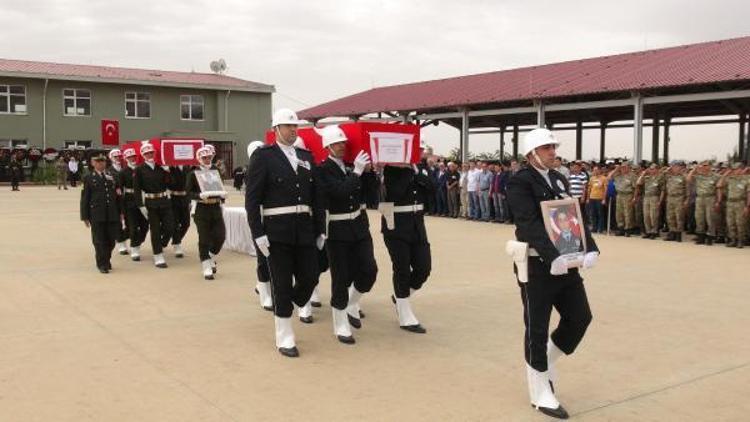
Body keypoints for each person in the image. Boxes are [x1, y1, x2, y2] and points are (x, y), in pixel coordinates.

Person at [506, 128, 599, 420]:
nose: (552, 151)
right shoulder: (520, 182)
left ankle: (545, 362)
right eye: (547, 147)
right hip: (536, 265)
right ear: (532, 153)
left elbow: (575, 216)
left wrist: (590, 247)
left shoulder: (559, 178)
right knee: (537, 326)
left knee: (580, 317)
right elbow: (528, 223)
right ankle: (539, 392)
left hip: (566, 263)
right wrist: (552, 256)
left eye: (553, 147)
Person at [245, 108, 325, 358]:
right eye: (288, 126)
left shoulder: (306, 156)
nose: (293, 130)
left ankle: (286, 303)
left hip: (305, 229)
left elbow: (317, 197)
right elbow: (252, 199)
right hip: (277, 232)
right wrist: (258, 234)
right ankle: (285, 335)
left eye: (295, 127)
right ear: (276, 129)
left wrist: (320, 228)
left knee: (311, 277)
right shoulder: (263, 156)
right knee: (281, 282)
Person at [315, 125, 379, 344]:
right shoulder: (322, 170)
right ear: (328, 146)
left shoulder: (354, 166)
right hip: (338, 229)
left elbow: (371, 197)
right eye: (337, 143)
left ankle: (352, 303)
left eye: (343, 143)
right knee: (340, 278)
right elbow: (340, 192)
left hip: (360, 226)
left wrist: (370, 173)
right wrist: (358, 173)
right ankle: (340, 321)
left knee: (369, 270)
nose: (342, 146)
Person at [379, 140, 435, 334]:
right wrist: (408, 170)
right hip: (396, 225)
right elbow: (394, 193)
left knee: (423, 268)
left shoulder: (420, 169)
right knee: (401, 269)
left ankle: (400, 295)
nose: (421, 154)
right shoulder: (391, 169)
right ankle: (404, 314)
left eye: (421, 151)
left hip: (417, 225)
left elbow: (432, 188)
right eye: (418, 150)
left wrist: (416, 171)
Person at [186, 146, 227, 279]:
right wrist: (199, 196)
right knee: (204, 238)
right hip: (201, 208)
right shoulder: (193, 173)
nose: (207, 160)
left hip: (215, 207)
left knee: (220, 236)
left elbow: (219, 186)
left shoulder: (216, 171)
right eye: (204, 157)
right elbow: (188, 193)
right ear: (199, 159)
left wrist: (222, 196)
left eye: (209, 157)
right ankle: (206, 266)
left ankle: (210, 256)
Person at [133, 142, 175, 268]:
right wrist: (141, 206)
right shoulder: (139, 169)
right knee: (155, 229)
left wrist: (168, 171)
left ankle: (161, 243)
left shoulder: (160, 167)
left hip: (164, 201)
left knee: (170, 226)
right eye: (146, 153)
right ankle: (158, 255)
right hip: (150, 203)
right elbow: (136, 189)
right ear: (143, 155)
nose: (149, 155)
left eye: (151, 152)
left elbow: (171, 184)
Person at [80, 154, 122, 273]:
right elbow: (85, 198)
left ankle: (106, 259)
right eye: (98, 161)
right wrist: (85, 216)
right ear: (93, 163)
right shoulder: (89, 178)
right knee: (99, 240)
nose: (101, 163)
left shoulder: (112, 175)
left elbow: (118, 195)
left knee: (111, 239)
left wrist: (121, 212)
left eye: (103, 161)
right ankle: (102, 263)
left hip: (112, 212)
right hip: (97, 214)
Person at [119, 148, 150, 261]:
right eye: (129, 157)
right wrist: (121, 208)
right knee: (132, 227)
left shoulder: (141, 169)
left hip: (142, 199)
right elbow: (120, 191)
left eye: (134, 157)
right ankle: (134, 248)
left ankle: (125, 239)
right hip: (129, 201)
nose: (132, 159)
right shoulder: (123, 172)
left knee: (145, 226)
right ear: (125, 159)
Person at [717, 162, 750, 248]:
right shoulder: (730, 179)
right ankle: (733, 240)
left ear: (741, 169)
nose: (734, 171)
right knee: (730, 222)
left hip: (740, 203)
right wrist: (725, 174)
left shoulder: (747, 179)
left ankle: (740, 241)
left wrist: (747, 206)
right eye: (733, 169)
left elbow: (748, 193)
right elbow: (719, 185)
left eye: (736, 169)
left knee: (740, 223)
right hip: (730, 203)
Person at [688, 161, 721, 245]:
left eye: (705, 165)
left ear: (710, 166)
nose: (703, 167)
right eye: (702, 165)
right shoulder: (698, 176)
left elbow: (718, 189)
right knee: (699, 218)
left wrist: (718, 201)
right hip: (700, 198)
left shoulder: (716, 176)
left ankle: (710, 236)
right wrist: (695, 169)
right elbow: (688, 179)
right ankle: (700, 236)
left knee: (710, 218)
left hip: (710, 198)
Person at [107, 149, 129, 255]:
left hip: (127, 198)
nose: (118, 159)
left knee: (130, 222)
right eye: (115, 157)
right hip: (116, 201)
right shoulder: (108, 171)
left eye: (119, 156)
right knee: (118, 223)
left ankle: (121, 237)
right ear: (111, 158)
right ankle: (121, 243)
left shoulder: (125, 169)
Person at [662, 161, 689, 242]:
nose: (675, 168)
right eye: (673, 167)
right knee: (670, 216)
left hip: (679, 198)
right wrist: (668, 169)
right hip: (670, 198)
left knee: (679, 217)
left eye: (676, 166)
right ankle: (672, 232)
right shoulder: (669, 176)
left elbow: (687, 189)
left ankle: (678, 234)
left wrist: (686, 200)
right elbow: (661, 174)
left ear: (680, 168)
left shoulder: (683, 177)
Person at [168, 162, 191, 258]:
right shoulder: (169, 168)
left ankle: (176, 240)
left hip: (185, 199)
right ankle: (177, 244)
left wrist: (189, 201)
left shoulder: (187, 168)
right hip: (173, 198)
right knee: (175, 223)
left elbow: (190, 185)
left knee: (186, 223)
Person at [636, 164, 665, 239]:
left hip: (655, 197)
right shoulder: (647, 177)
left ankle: (654, 231)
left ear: (657, 169)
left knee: (653, 216)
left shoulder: (660, 178)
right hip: (646, 197)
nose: (651, 170)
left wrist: (660, 201)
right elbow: (638, 183)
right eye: (650, 169)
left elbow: (663, 190)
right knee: (646, 216)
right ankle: (648, 231)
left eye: (653, 169)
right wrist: (643, 174)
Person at [608, 162, 637, 236]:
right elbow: (609, 177)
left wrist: (634, 197)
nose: (623, 169)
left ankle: (628, 229)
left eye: (625, 167)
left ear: (628, 168)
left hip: (628, 195)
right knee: (619, 212)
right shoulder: (618, 175)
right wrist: (616, 169)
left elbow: (636, 188)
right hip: (619, 195)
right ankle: (621, 228)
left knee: (628, 212)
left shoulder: (632, 176)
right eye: (622, 167)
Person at [586, 165, 607, 233]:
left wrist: (604, 199)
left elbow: (605, 189)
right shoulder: (592, 178)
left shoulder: (604, 178)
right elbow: (589, 189)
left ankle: (600, 228)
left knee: (600, 214)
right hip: (592, 198)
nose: (595, 171)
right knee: (592, 213)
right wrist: (588, 198)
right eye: (594, 170)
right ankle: (594, 228)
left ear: (600, 170)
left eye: (596, 170)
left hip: (600, 198)